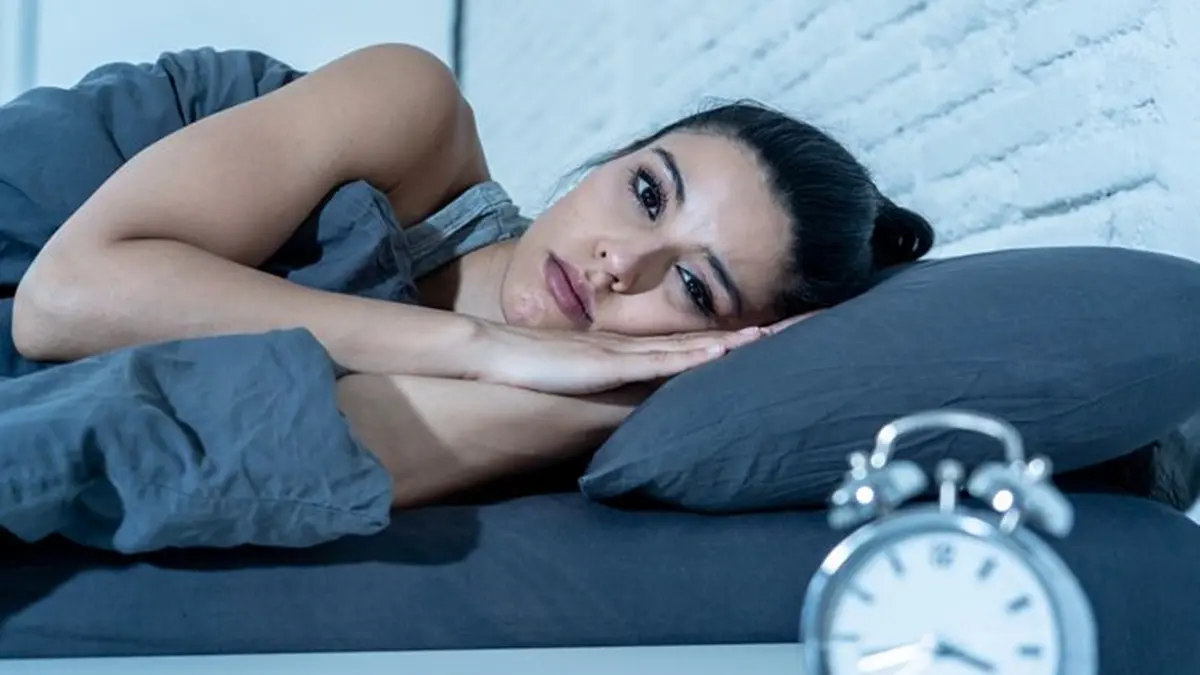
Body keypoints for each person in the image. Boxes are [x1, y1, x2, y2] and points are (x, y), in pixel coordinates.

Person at [3, 44, 934, 507]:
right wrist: (480, 344)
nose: (623, 261)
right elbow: (62, 302)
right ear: (613, 157)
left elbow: (280, 452)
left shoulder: (553, 428)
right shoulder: (415, 115)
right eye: (647, 192)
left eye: (693, 289)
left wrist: (631, 391)